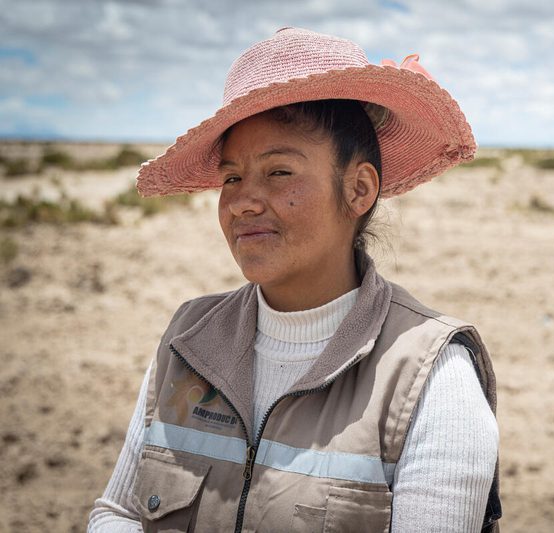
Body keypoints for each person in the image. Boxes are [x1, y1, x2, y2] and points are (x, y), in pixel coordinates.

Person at [88, 27, 500, 532]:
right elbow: (118, 512)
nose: (242, 202)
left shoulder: (430, 376)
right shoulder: (188, 340)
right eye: (232, 177)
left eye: (279, 172)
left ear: (359, 189)